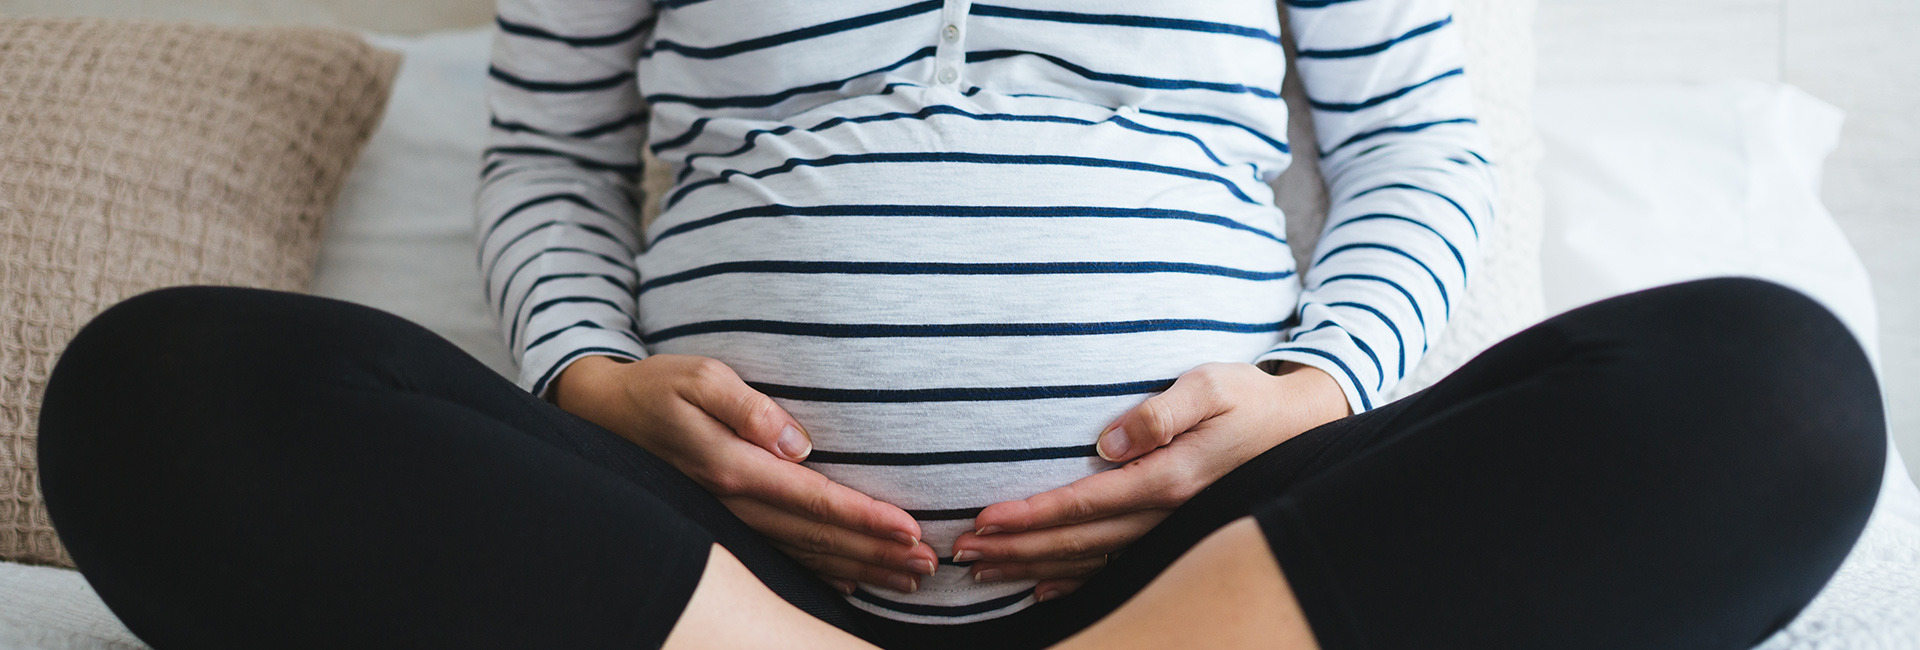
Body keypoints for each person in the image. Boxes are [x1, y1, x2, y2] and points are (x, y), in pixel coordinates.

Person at [36, 1, 1886, 649]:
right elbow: (549, 158)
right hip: (710, 576)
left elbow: (1418, 146)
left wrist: (1314, 386)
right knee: (154, 387)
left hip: (1223, 569)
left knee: (1779, 390)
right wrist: (590, 381)